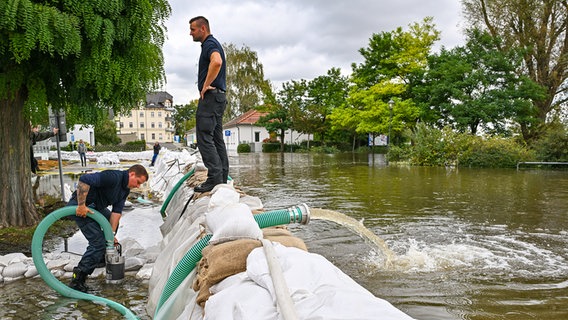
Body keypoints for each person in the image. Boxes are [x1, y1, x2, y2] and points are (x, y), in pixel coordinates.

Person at [67, 164, 148, 292]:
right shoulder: (113, 177)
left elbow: (116, 213)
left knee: (110, 221)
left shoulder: (124, 189)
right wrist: (81, 205)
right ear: (131, 174)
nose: (137, 186)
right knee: (98, 243)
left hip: (96, 209)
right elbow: (84, 179)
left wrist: (111, 236)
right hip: (80, 208)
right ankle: (78, 278)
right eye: (138, 182)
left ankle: (98, 258)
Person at [189, 16, 229, 193]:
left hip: (211, 98)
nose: (190, 33)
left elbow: (217, 61)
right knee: (217, 138)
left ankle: (213, 179)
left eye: (193, 29)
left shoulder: (209, 44)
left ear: (203, 28)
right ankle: (221, 177)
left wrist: (205, 86)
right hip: (219, 98)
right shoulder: (213, 43)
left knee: (205, 137)